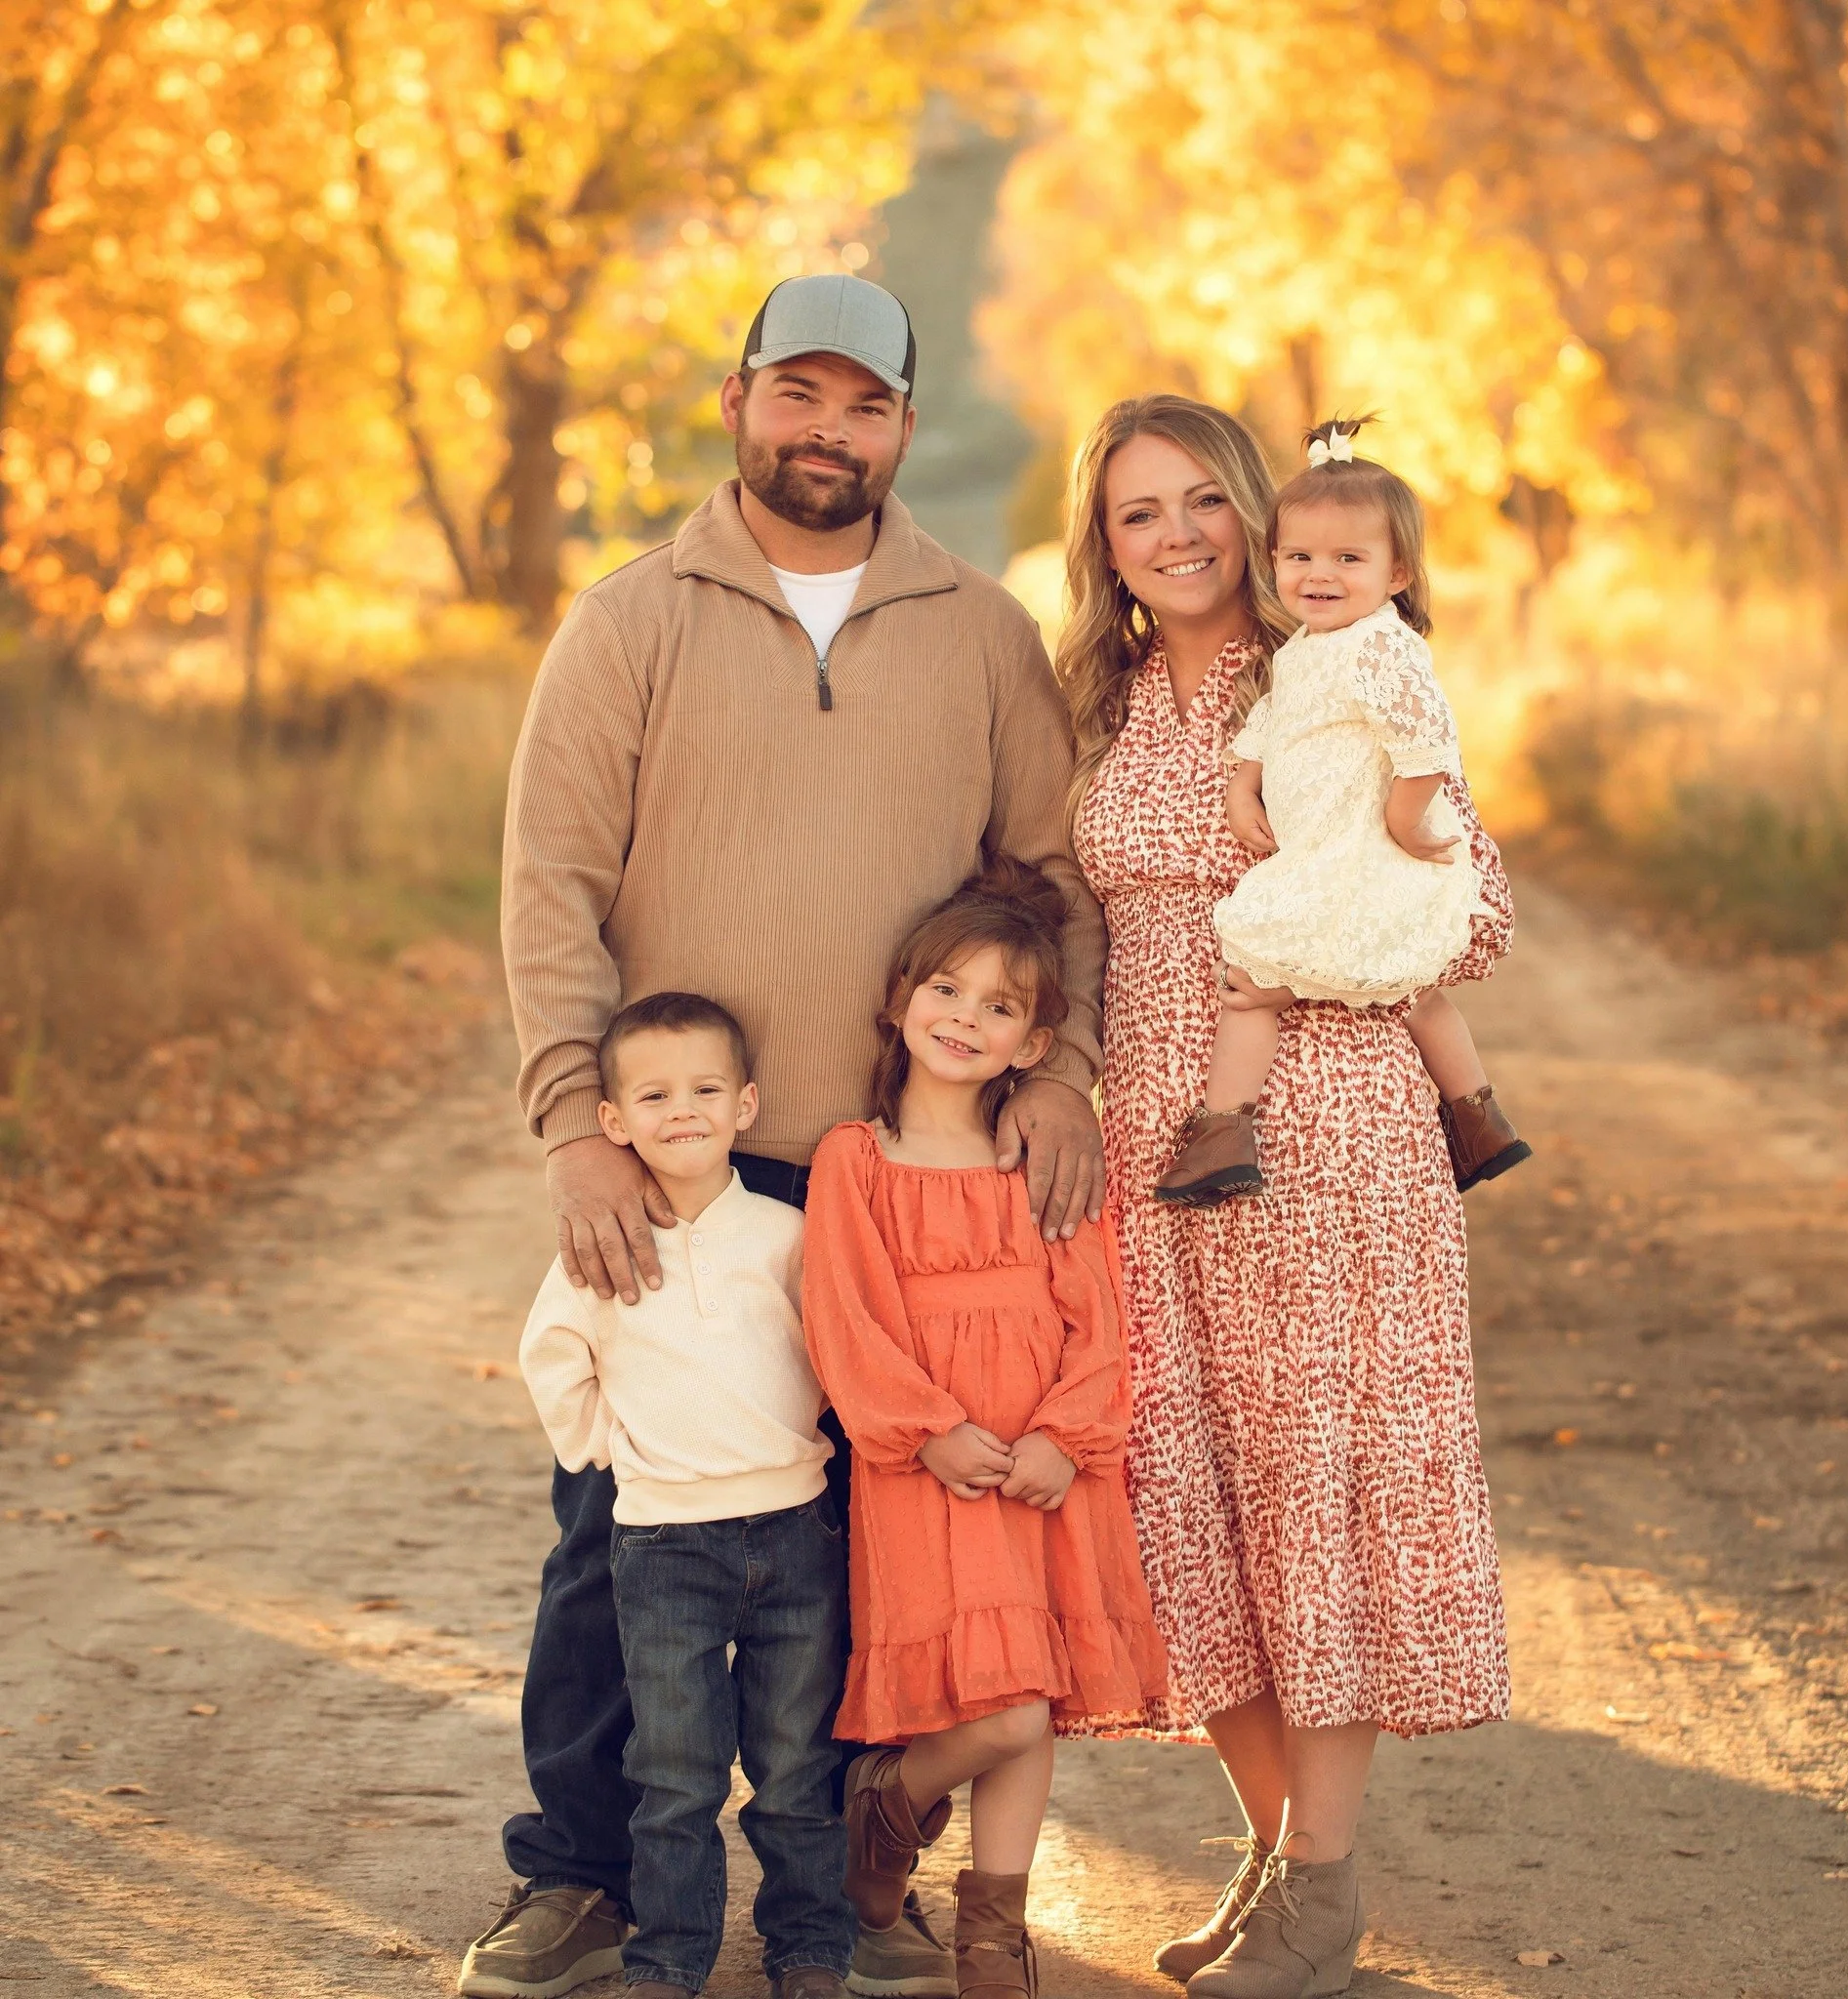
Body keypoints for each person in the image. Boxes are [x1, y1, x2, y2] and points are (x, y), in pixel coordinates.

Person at [469, 272, 1107, 1999]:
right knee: (623, 1532)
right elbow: (553, 891)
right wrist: (574, 1128)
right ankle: (582, 1871)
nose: (828, 429)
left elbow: (1049, 880)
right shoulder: (628, 620)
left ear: (903, 421)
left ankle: (846, 1887)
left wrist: (1061, 1070)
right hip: (684, 1169)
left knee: (869, 1550)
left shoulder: (976, 627)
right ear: (741, 398)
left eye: (865, 403)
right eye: (796, 394)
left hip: (907, 1174)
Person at [1060, 395, 1511, 1998]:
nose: (1174, 533)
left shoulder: (1331, 655)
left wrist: (1341, 911)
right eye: (1136, 512)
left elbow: (1473, 904)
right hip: (1155, 1155)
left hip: (1325, 1137)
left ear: (1254, 513)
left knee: (1314, 1492)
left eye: (1199, 500)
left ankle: (1320, 1886)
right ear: (1100, 545)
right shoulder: (1097, 696)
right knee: (1189, 1499)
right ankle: (1274, 1857)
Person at [801, 860, 1167, 1999]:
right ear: (900, 996)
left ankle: (991, 1938)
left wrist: (1069, 1431)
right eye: (947, 990)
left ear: (1032, 1041)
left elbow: (1096, 1312)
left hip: (1043, 1469)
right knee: (1001, 1711)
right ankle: (891, 1796)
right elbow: (844, 1319)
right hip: (932, 1472)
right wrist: (924, 1428)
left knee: (1036, 1697)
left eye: (999, 1006)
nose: (965, 1018)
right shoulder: (853, 1158)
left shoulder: (1035, 1157)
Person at [516, 992, 850, 1999]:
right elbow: (550, 1356)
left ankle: (810, 1949)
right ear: (613, 1120)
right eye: (654, 1094)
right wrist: (604, 1447)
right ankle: (668, 1958)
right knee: (674, 1775)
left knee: (796, 1770)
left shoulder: (787, 1234)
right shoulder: (605, 1242)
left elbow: (839, 1345)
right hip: (662, 1543)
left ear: (746, 1103)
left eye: (705, 1088)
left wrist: (810, 1434)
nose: (683, 1110)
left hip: (794, 1528)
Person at [1155, 416, 1531, 1205]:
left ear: (1397, 573)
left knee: (1251, 974)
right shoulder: (1306, 649)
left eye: (1347, 559)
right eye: (1299, 557)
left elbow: (1426, 737)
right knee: (1416, 993)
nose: (1317, 575)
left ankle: (1224, 1126)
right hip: (1331, 850)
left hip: (1363, 850)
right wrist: (1241, 778)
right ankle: (1476, 1118)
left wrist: (1402, 819)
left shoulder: (1381, 647)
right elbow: (1273, 718)